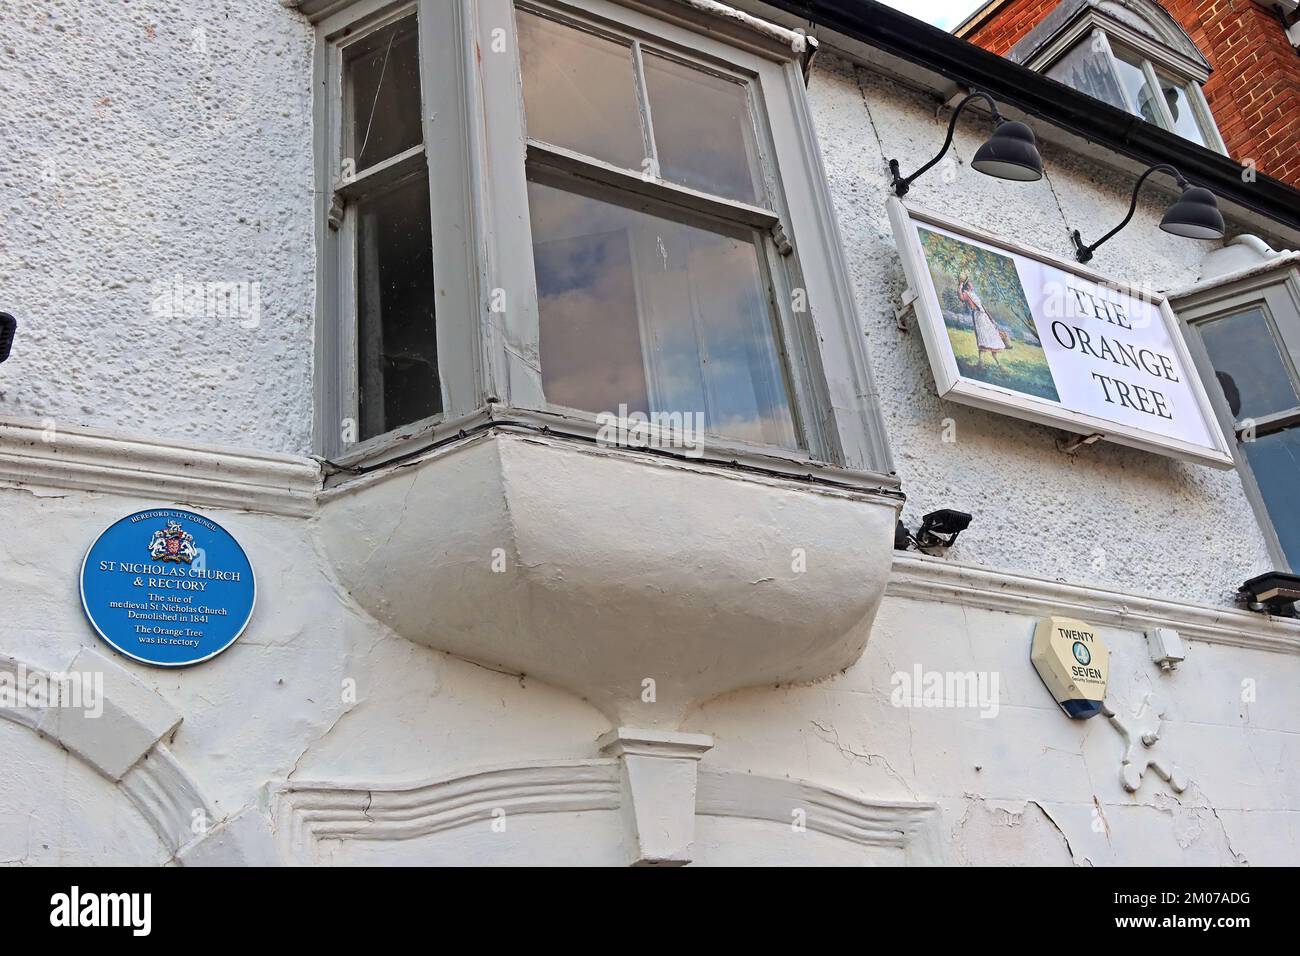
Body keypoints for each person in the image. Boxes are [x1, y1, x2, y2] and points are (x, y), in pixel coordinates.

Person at [958, 272, 1007, 368]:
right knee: (983, 337)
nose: (972, 284)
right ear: (967, 286)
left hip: (983, 316)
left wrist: (990, 318)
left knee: (991, 336)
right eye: (970, 283)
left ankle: (995, 363)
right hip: (978, 317)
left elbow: (983, 307)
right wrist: (960, 284)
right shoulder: (966, 294)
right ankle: (981, 363)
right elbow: (961, 297)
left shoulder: (974, 294)